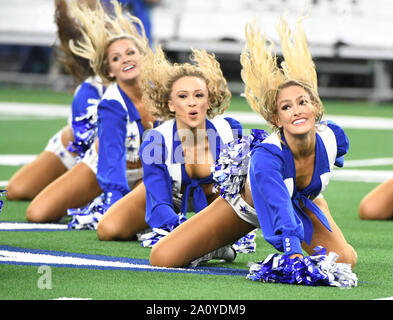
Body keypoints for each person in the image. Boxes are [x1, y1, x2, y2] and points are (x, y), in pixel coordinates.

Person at [149, 16, 358, 287]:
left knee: (344, 260)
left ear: (316, 108)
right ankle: (218, 246)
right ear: (275, 119)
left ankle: (319, 205)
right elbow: (278, 207)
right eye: (286, 107)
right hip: (247, 209)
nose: (296, 110)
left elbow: (332, 156)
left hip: (301, 203)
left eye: (302, 102)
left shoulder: (334, 138)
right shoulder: (267, 156)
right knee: (162, 256)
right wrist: (292, 254)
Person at [96, 45, 242, 250]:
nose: (192, 103)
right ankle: (155, 228)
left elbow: (238, 194)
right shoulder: (156, 140)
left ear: (208, 100)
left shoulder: (229, 131)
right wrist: (182, 229)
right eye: (183, 96)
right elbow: (159, 204)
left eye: (199, 95)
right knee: (109, 228)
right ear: (171, 104)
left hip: (215, 202)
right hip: (169, 195)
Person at [25, 0, 155, 225]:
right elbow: (92, 146)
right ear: (108, 69)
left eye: (130, 52)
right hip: (91, 156)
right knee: (33, 207)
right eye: (116, 57)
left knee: (117, 225)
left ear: (143, 55)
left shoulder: (163, 88)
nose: (125, 59)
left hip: (147, 169)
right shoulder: (95, 94)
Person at [6, 0, 104, 202]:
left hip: (116, 144)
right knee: (17, 189)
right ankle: (68, 177)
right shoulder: (87, 86)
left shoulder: (122, 22)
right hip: (79, 140)